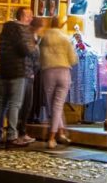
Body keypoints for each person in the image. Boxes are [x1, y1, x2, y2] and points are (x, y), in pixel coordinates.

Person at [0, 7, 34, 148]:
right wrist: (32, 47)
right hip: (17, 71)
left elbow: (1, 50)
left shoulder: (5, 30)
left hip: (4, 70)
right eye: (29, 15)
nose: (31, 18)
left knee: (2, 104)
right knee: (15, 104)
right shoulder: (19, 30)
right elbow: (24, 50)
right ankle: (11, 136)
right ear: (23, 17)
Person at [39, 16, 78, 149]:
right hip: (64, 72)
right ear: (61, 24)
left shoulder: (44, 38)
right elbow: (73, 59)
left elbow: (40, 56)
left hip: (49, 72)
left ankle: (51, 138)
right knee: (58, 105)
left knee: (53, 106)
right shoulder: (65, 38)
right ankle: (60, 133)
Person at [15, 17, 45, 144]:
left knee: (27, 104)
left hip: (30, 73)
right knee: (23, 104)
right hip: (26, 73)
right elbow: (31, 55)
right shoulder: (30, 38)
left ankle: (21, 131)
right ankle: (19, 132)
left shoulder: (35, 38)